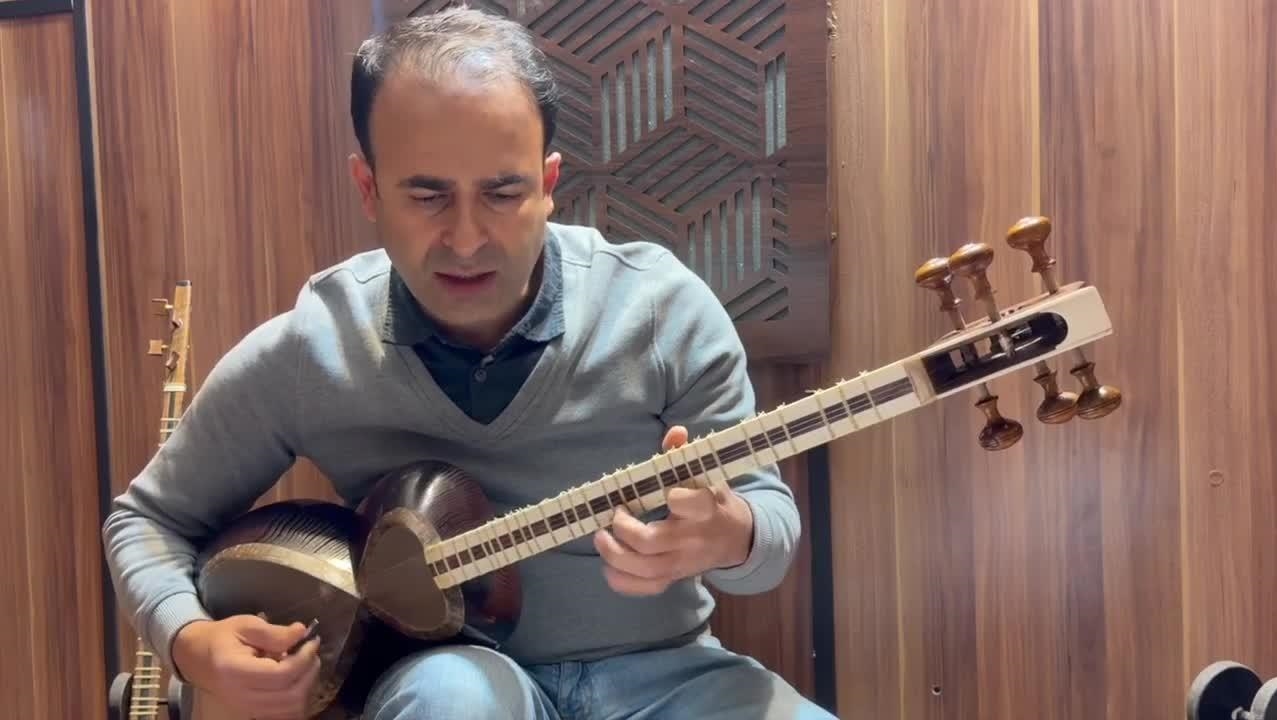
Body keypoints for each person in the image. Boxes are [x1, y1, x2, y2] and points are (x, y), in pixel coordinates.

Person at [102, 7, 836, 720]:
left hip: (668, 675)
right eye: (427, 196)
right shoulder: (313, 346)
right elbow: (148, 519)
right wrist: (189, 642)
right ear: (369, 189)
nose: (465, 239)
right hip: (453, 680)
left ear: (548, 184)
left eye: (502, 192)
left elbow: (769, 529)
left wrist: (729, 531)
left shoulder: (661, 309)